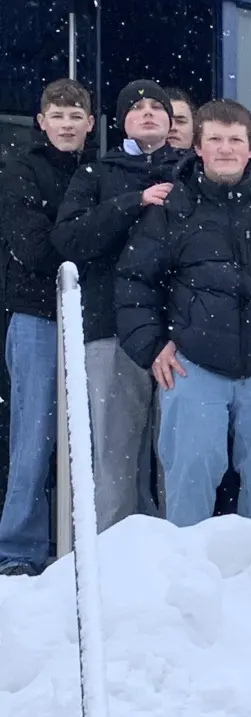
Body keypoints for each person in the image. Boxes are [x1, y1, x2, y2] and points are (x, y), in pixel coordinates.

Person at [116, 99, 251, 527]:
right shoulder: (173, 209)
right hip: (193, 366)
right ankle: (186, 582)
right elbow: (133, 280)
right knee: (190, 480)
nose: (226, 148)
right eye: (215, 139)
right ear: (198, 147)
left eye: (236, 140)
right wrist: (152, 346)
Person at [52, 80, 187, 530]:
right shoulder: (95, 173)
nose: (147, 112)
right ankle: (111, 559)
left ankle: (179, 558)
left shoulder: (191, 171)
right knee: (115, 452)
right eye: (137, 107)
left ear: (171, 122)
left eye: (157, 106)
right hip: (111, 330)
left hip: (181, 333)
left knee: (178, 454)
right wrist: (134, 202)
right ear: (121, 120)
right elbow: (69, 239)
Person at [0, 80, 92, 574]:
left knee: (93, 439)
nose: (66, 124)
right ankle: (18, 549)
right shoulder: (21, 170)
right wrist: (85, 238)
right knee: (33, 436)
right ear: (42, 121)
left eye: (76, 115)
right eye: (58, 115)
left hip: (91, 320)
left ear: (90, 123)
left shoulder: (100, 170)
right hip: (37, 316)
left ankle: (87, 541)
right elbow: (32, 246)